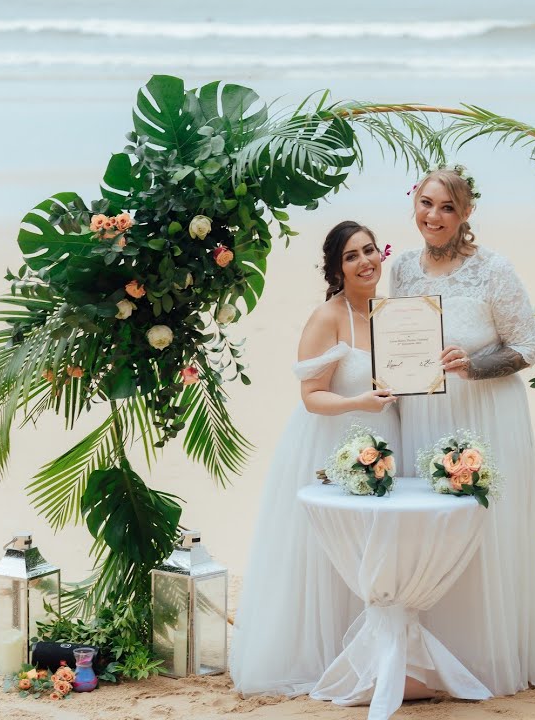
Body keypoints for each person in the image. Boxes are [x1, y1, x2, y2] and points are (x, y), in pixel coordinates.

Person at [388, 166, 535, 695]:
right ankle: (434, 657)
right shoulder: (403, 272)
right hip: (424, 416)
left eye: (447, 208)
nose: (433, 217)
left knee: (484, 531)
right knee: (430, 533)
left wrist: (474, 364)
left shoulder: (493, 270)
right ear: (414, 203)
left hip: (485, 416)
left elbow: (525, 348)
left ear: (466, 214)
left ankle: (487, 655)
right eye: (426, 204)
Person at [229, 220, 399, 697]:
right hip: (334, 444)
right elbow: (311, 395)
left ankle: (376, 652)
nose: (365, 262)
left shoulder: (393, 313)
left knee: (377, 552)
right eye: (352, 256)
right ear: (337, 268)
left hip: (387, 445)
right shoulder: (328, 317)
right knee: (328, 554)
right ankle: (326, 657)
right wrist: (357, 403)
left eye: (369, 250)